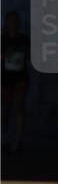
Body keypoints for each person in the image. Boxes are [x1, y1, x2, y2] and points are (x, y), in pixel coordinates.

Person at [1, 11, 29, 154]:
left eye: (15, 21)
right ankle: (3, 138)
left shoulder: (24, 40)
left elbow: (30, 57)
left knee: (19, 106)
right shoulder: (2, 39)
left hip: (20, 76)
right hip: (5, 77)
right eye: (9, 21)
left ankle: (18, 140)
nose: (12, 24)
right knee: (5, 108)